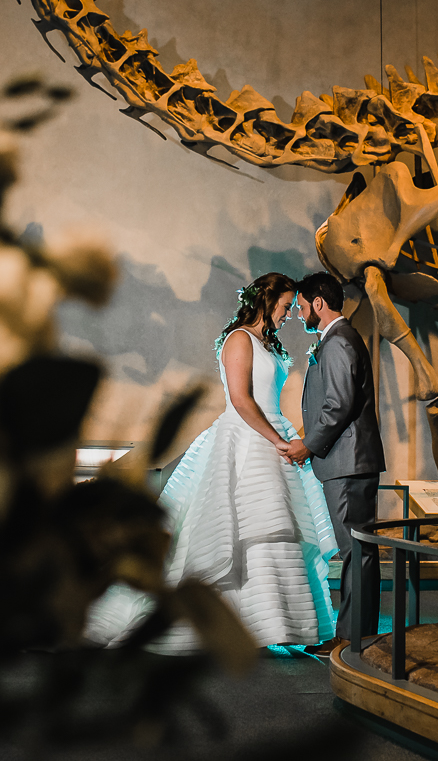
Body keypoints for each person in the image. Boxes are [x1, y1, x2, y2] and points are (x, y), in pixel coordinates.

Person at [84, 272, 337, 652]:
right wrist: (279, 441)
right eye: (285, 307)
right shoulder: (238, 340)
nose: (288, 315)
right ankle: (235, 623)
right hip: (247, 439)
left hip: (271, 435)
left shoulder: (268, 344)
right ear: (267, 303)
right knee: (241, 531)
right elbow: (241, 399)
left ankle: (271, 626)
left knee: (274, 528)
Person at [284, 271, 385, 655]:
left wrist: (309, 446)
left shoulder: (339, 342)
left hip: (348, 463)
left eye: (302, 305)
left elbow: (338, 404)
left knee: (356, 551)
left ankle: (352, 638)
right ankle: (356, 633)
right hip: (346, 462)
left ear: (319, 304)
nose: (298, 312)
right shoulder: (339, 339)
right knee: (358, 550)